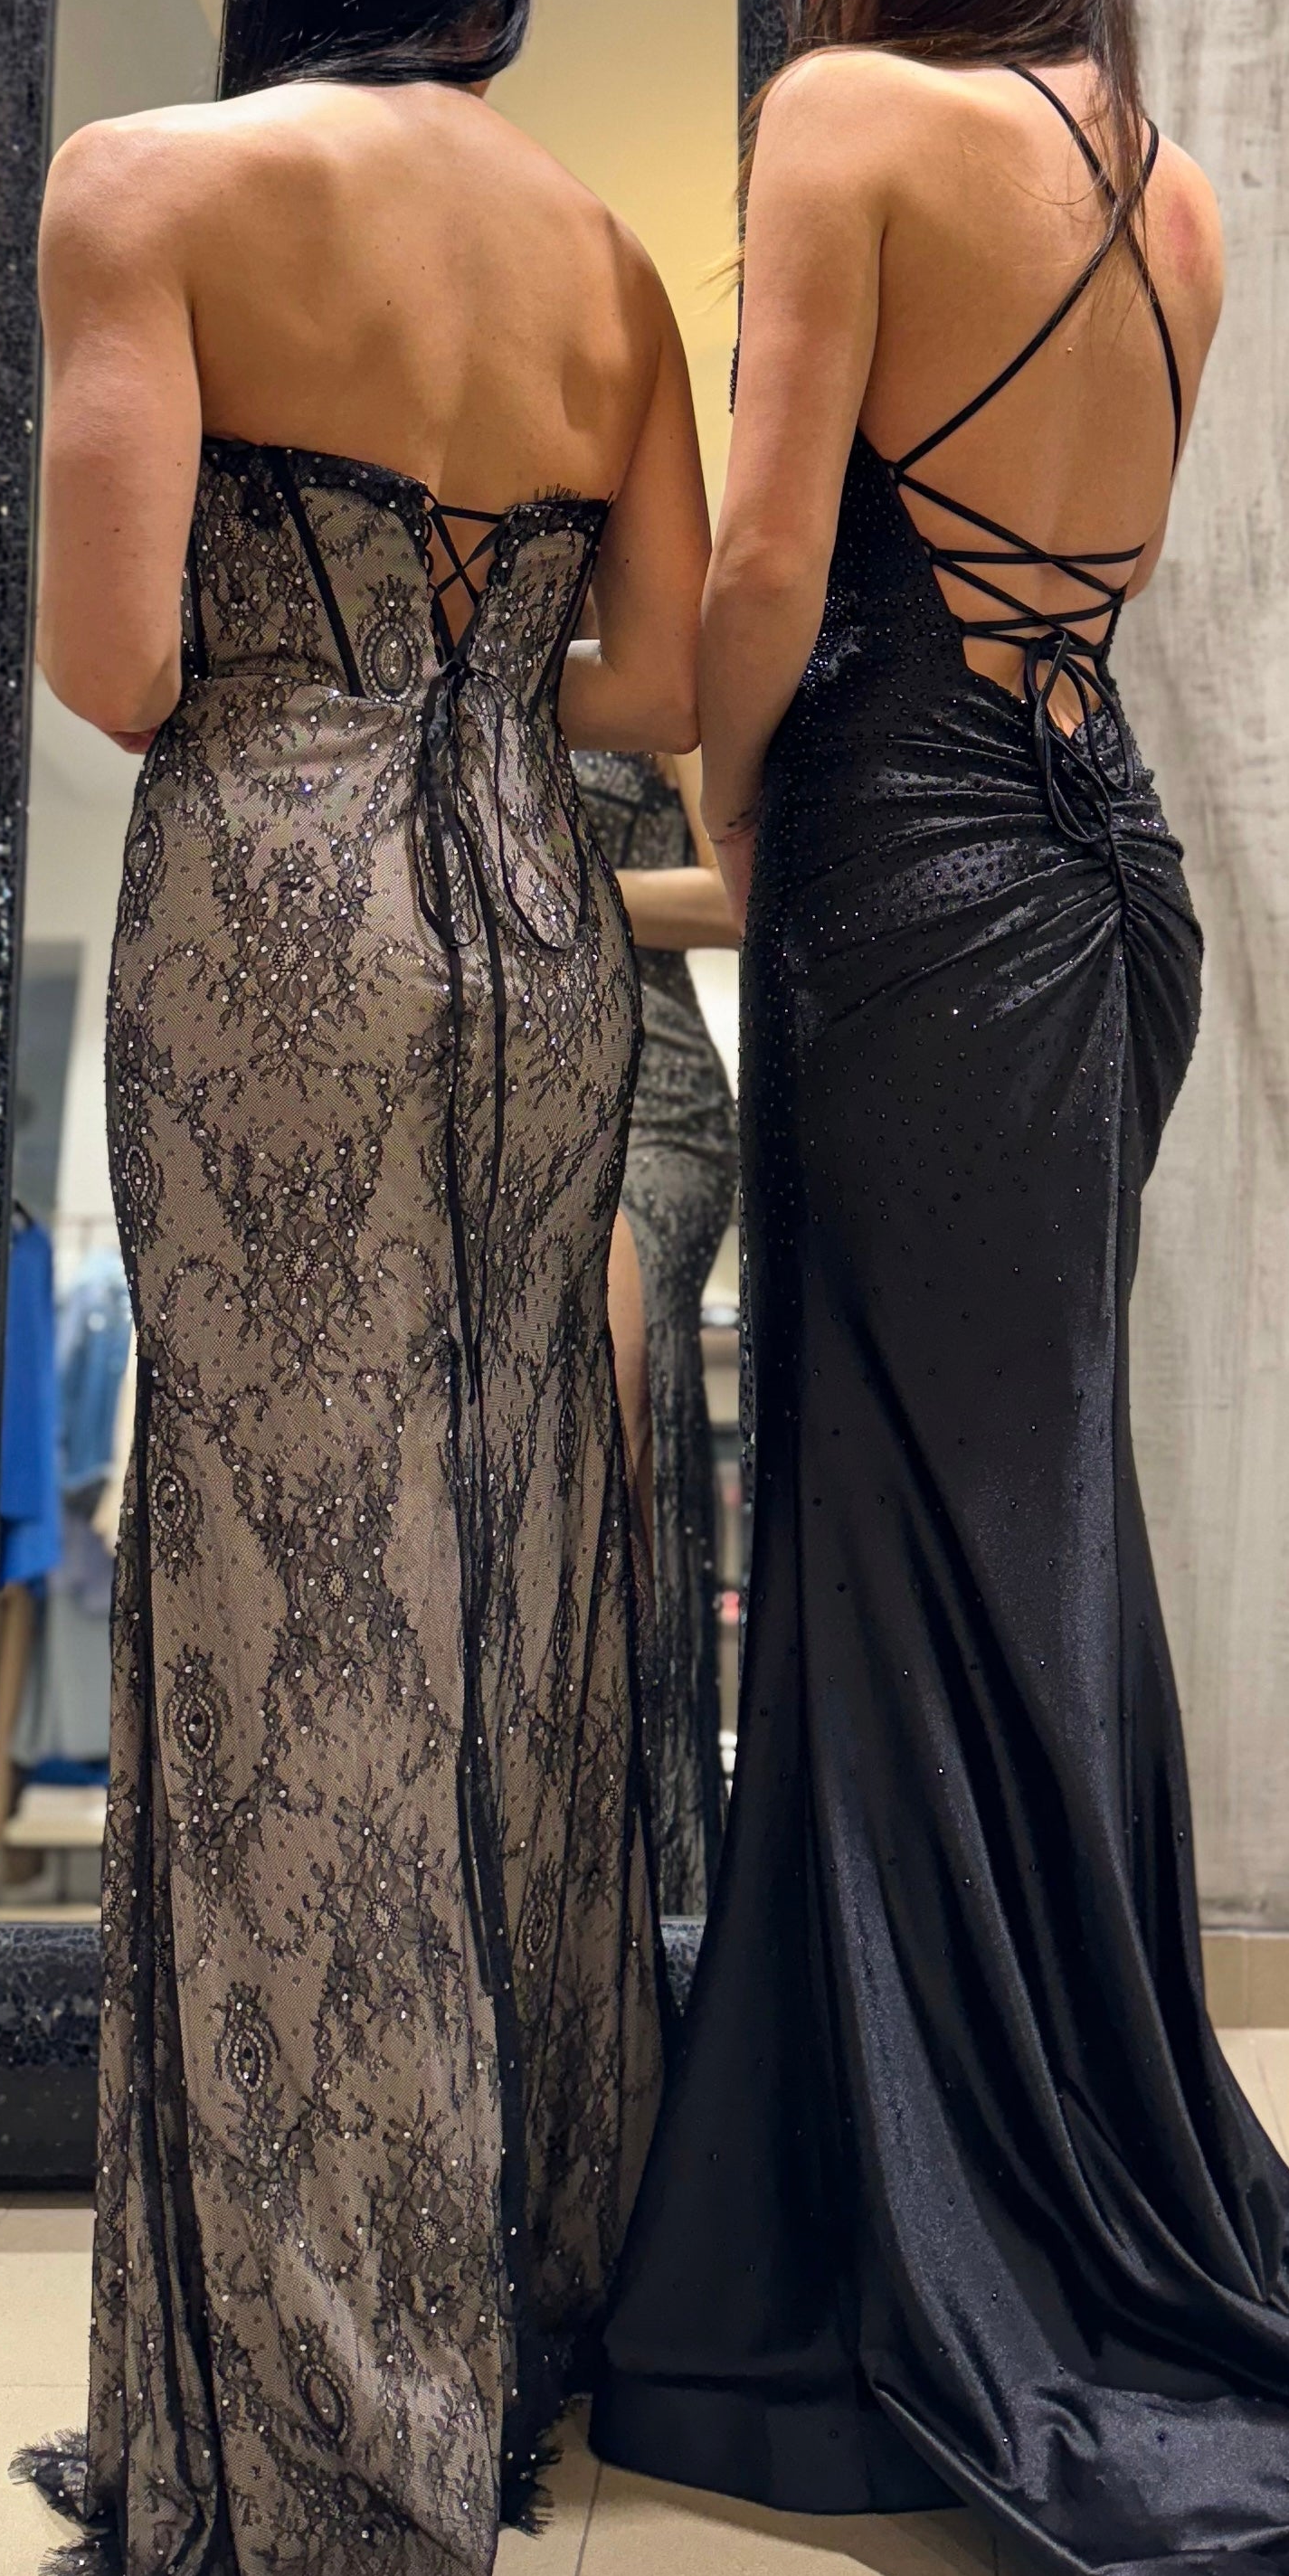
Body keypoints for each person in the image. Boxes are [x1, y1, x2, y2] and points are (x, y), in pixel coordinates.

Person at [592, 0, 1289, 2576]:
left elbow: (763, 567)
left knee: (902, 1558)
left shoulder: (850, 126)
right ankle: (967, 2188)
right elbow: (1070, 582)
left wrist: (724, 827)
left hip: (916, 891)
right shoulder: (1172, 189)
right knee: (1014, 1547)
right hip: (1105, 888)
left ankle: (942, 2263)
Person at [11, 0, 705, 2576]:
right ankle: (521, 2308)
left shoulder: (147, 183)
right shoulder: (605, 265)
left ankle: (333, 2436)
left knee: (288, 1634)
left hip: (277, 935)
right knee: (512, 1593)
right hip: (537, 943)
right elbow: (657, 667)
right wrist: (485, 667)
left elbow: (117, 655)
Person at [571, 743, 739, 1915]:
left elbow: (741, 893)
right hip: (484, 1094)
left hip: (648, 1102)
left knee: (619, 1403)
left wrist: (549, 882)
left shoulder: (652, 682)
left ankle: (656, 1885)